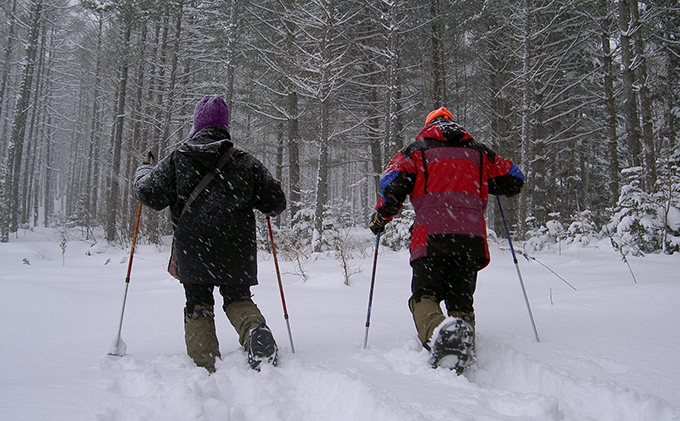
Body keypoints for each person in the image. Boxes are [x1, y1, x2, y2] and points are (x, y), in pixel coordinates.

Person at [134, 95, 286, 373]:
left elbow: (148, 193)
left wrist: (144, 170)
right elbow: (276, 203)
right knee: (238, 297)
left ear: (197, 125)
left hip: (194, 249)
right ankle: (254, 332)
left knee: (198, 302)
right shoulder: (244, 162)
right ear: (225, 126)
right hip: (236, 249)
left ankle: (205, 364)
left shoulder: (177, 159)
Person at [369, 107, 525, 373]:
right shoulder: (481, 153)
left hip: (431, 237)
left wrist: (381, 217)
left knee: (423, 295)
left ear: (428, 125)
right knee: (461, 300)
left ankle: (437, 335)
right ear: (454, 125)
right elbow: (515, 178)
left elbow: (393, 184)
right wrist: (488, 182)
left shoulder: (415, 152)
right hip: (471, 239)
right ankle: (463, 341)